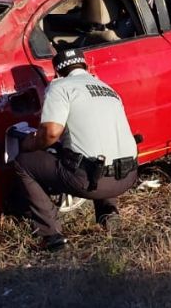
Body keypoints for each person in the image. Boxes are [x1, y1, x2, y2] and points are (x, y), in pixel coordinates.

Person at [12, 48, 139, 251]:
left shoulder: (61, 86)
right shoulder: (107, 88)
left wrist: (29, 143)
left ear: (57, 73)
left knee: (24, 163)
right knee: (98, 148)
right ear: (85, 66)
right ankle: (109, 214)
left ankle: (51, 236)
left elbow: (51, 133)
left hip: (91, 182)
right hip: (128, 176)